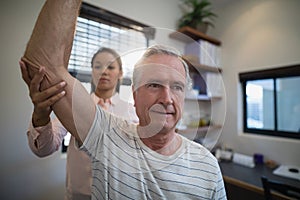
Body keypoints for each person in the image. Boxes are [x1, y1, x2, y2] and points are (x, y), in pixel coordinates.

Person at [21, 0, 226, 198]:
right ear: (135, 94)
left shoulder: (208, 166)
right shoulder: (110, 132)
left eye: (177, 87)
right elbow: (45, 68)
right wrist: (41, 115)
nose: (167, 98)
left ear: (120, 74)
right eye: (154, 85)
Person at [20, 47, 138, 200]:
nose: (104, 71)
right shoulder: (74, 106)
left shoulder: (132, 112)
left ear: (121, 73)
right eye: (98, 66)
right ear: (92, 71)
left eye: (110, 66)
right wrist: (41, 116)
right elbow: (43, 149)